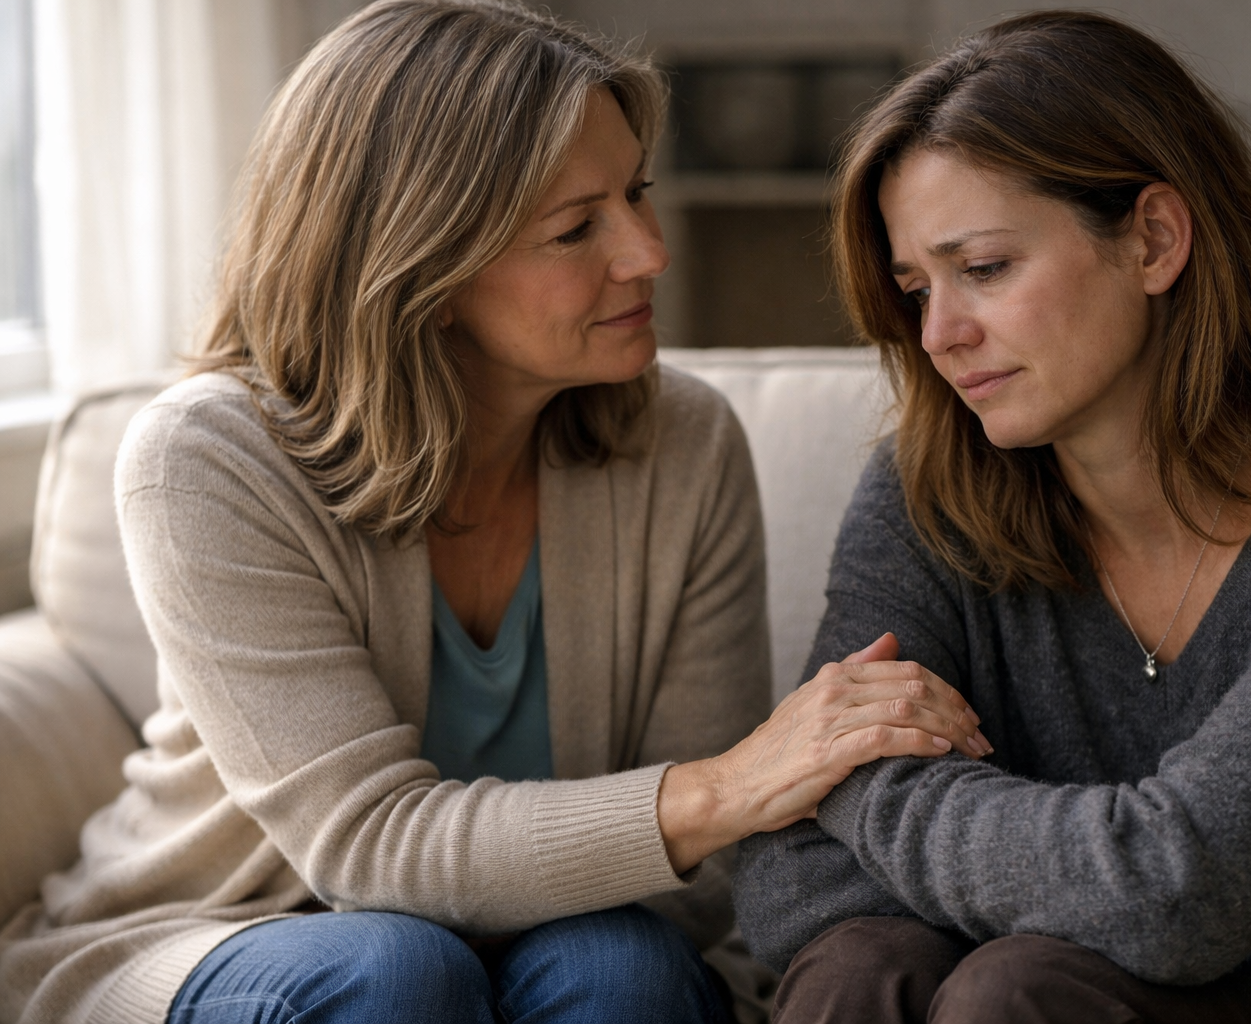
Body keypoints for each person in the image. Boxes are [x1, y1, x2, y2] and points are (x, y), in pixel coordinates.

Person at [0, 4, 992, 1023]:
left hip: (573, 936)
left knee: (627, 973)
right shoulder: (206, 460)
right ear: (421, 267)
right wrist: (729, 785)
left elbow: (694, 884)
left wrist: (710, 809)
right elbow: (364, 844)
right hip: (230, 929)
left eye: (637, 193)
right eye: (577, 228)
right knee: (396, 971)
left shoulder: (684, 445)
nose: (648, 251)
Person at [734, 11, 1251, 1024]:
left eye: (982, 269)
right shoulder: (930, 488)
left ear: (1154, 240)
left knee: (1014, 988)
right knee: (863, 966)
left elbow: (1179, 890)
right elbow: (789, 876)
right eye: (914, 289)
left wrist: (858, 782)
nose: (939, 334)